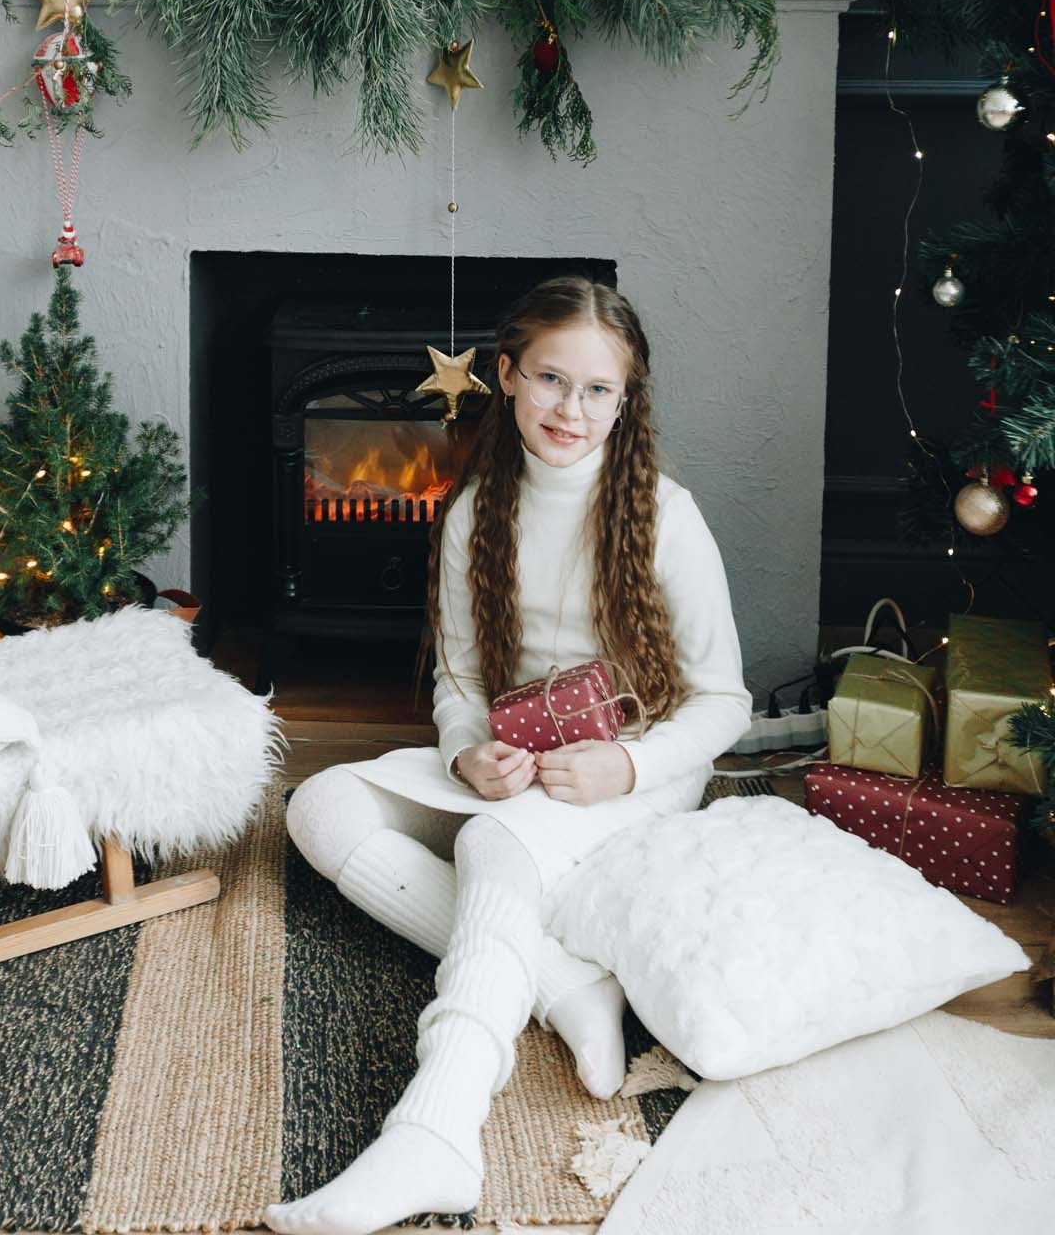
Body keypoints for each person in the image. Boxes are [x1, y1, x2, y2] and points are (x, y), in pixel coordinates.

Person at [265, 275, 752, 1235]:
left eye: (598, 389)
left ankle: (436, 1131)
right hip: (521, 760)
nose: (571, 409)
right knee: (318, 807)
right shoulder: (475, 510)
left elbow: (724, 702)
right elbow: (459, 681)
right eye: (550, 379)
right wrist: (464, 755)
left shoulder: (667, 515)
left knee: (491, 845)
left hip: (635, 768)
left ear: (627, 400)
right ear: (507, 375)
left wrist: (626, 768)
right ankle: (564, 983)